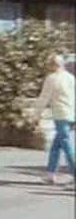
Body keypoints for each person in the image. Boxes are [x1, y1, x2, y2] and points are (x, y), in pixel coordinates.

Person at [32, 54, 75, 185]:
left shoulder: (51, 79)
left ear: (52, 65)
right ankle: (50, 174)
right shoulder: (71, 78)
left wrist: (36, 115)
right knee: (56, 146)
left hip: (60, 115)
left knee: (67, 145)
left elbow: (44, 98)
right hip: (70, 114)